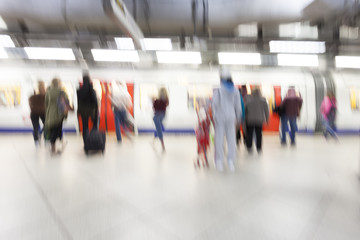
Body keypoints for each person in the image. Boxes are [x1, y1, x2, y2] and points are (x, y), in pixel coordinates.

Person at [212, 71, 242, 172]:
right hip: (231, 117)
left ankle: (219, 161)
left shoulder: (218, 91)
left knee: (219, 139)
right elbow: (238, 106)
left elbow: (214, 105)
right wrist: (238, 117)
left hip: (220, 117)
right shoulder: (235, 91)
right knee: (231, 139)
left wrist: (214, 116)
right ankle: (230, 161)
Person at [45, 78, 69, 153]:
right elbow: (66, 102)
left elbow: (46, 103)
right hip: (59, 113)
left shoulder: (48, 92)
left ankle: (53, 146)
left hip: (50, 113)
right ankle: (53, 146)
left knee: (53, 130)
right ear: (59, 83)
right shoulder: (62, 92)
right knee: (57, 129)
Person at [244, 87, 269, 153]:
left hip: (250, 120)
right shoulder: (263, 101)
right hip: (259, 120)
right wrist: (267, 120)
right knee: (259, 134)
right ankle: (259, 147)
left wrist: (244, 119)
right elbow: (266, 111)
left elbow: (245, 110)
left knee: (249, 133)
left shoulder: (248, 101)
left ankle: (249, 147)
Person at [77, 75, 98, 145]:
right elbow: (95, 101)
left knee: (85, 127)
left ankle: (86, 142)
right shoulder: (92, 90)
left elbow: (78, 102)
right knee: (94, 125)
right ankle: (93, 139)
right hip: (92, 111)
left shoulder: (79, 91)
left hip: (83, 111)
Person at [29, 81, 46, 147]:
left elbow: (30, 105)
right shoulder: (45, 96)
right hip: (42, 112)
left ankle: (36, 140)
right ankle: (41, 133)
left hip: (33, 113)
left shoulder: (32, 97)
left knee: (35, 127)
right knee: (47, 124)